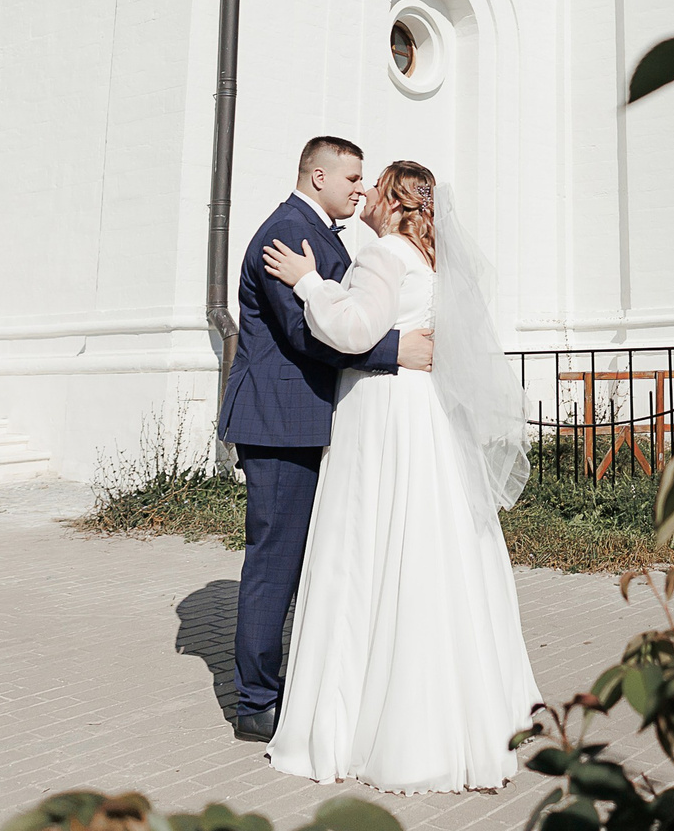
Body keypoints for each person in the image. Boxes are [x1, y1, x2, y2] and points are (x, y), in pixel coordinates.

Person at [258, 159, 541, 792]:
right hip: (426, 414)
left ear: (392, 200)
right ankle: (467, 712)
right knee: (428, 544)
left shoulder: (384, 253)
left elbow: (353, 329)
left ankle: (363, 717)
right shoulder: (431, 260)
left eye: (375, 183)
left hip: (384, 412)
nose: (364, 192)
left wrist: (308, 283)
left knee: (368, 542)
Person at [218, 136, 433, 744]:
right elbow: (306, 334)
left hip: (305, 420)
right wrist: (395, 351)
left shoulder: (322, 235)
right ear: (318, 176)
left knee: (302, 560)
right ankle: (256, 702)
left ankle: (294, 682)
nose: (361, 190)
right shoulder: (289, 232)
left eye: (366, 181)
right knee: (275, 561)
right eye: (352, 178)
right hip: (281, 424)